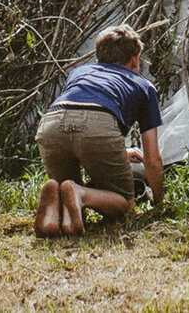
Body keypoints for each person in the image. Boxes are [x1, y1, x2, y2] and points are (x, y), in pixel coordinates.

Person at [32, 24, 164, 237]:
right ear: (135, 59)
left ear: (99, 57)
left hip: (51, 123)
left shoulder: (79, 72)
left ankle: (55, 210)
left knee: (64, 189)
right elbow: (153, 159)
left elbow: (76, 122)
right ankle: (80, 193)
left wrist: (119, 152)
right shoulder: (143, 86)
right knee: (124, 204)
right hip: (98, 123)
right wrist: (159, 203)